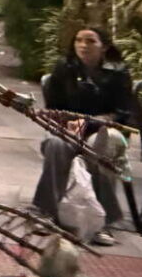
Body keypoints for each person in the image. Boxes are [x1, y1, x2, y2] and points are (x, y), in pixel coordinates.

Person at [31, 27, 132, 246]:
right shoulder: (64, 67)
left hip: (106, 129)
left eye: (90, 41)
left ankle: (101, 222)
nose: (83, 45)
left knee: (101, 145)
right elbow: (53, 109)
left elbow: (122, 113)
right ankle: (45, 212)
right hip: (70, 128)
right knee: (55, 144)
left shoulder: (119, 72)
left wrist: (93, 121)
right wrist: (65, 123)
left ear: (103, 46)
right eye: (78, 40)